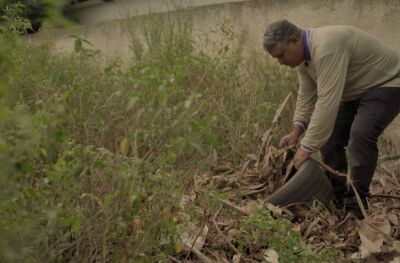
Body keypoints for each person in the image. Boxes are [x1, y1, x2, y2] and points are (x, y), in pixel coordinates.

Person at [263, 19, 400, 218]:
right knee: (329, 139)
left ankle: (356, 205)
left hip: (388, 82)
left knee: (360, 136)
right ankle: (337, 195)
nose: (281, 62)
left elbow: (327, 102)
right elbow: (307, 94)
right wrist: (297, 131)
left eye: (281, 55)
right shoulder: (304, 58)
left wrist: (306, 148)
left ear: (294, 41)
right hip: (356, 92)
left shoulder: (327, 47)